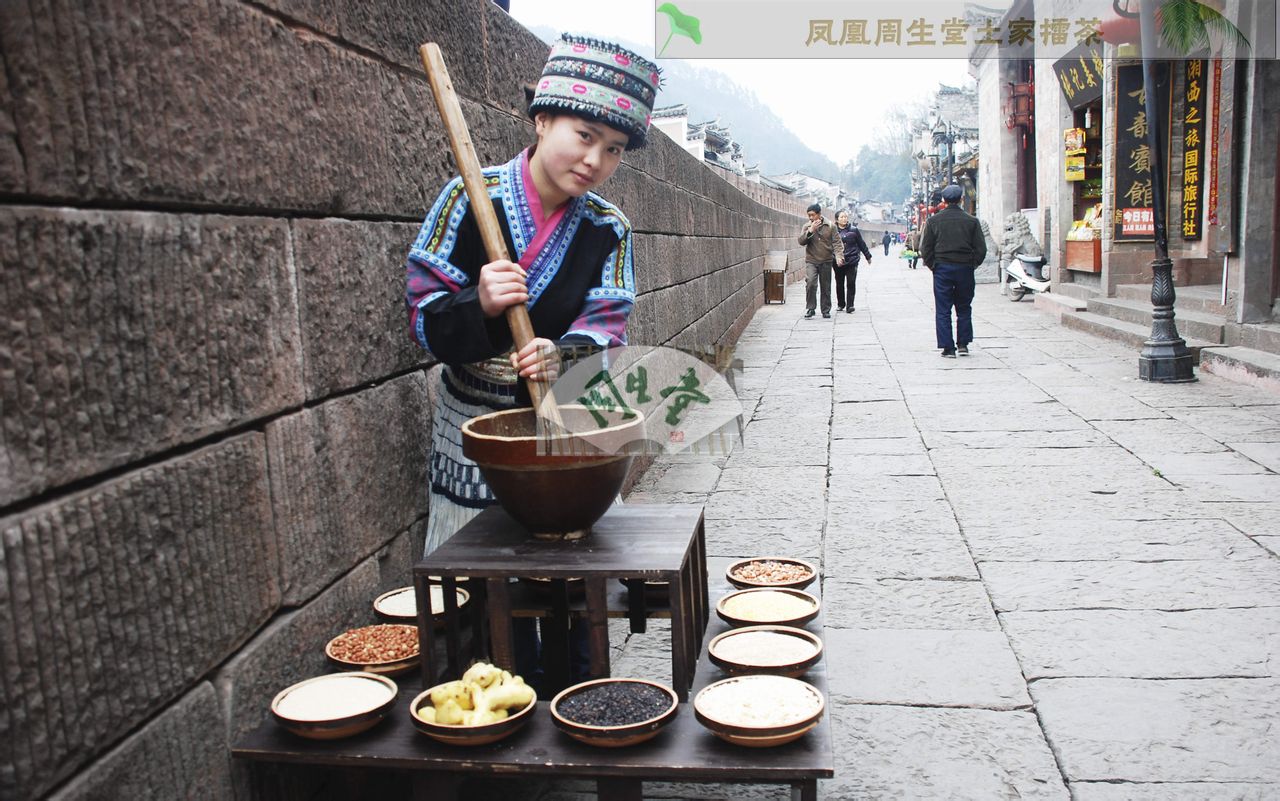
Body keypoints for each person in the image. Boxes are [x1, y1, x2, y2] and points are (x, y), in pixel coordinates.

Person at [405, 34, 661, 684]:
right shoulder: (467, 199)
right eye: (584, 134)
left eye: (614, 149)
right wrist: (480, 303)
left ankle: (579, 702)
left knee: (575, 588)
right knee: (485, 597)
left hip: (564, 423)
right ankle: (499, 729)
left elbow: (606, 325)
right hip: (478, 433)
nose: (595, 159)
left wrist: (561, 353)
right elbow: (424, 320)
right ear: (541, 117)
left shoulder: (608, 228)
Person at [919, 184, 987, 358]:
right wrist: (972, 264)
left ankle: (948, 347)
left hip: (942, 268)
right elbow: (981, 249)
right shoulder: (971, 221)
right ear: (961, 199)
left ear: (943, 200)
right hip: (965, 268)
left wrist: (933, 265)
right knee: (964, 307)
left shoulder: (933, 221)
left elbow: (925, 248)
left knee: (943, 309)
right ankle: (963, 344)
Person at [798, 203, 842, 319]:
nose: (811, 218)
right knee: (811, 283)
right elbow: (801, 241)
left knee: (825, 286)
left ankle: (825, 310)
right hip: (811, 260)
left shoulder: (830, 226)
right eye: (809, 215)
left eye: (812, 215)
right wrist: (810, 231)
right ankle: (811, 308)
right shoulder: (807, 226)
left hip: (826, 260)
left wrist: (838, 256)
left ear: (819, 214)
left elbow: (837, 242)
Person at [833, 210, 872, 313]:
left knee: (851, 282)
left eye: (845, 217)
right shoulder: (833, 231)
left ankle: (850, 305)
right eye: (841, 217)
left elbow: (861, 244)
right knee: (839, 283)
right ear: (837, 219)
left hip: (852, 260)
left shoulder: (854, 230)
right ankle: (841, 304)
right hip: (838, 261)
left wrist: (868, 256)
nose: (844, 219)